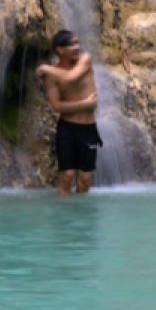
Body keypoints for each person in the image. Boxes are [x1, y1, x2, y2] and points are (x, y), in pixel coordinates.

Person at [36, 30, 101, 195]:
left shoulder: (85, 60)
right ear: (60, 50)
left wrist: (45, 68)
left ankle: (82, 218)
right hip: (67, 129)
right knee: (67, 175)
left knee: (85, 179)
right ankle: (65, 219)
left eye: (78, 43)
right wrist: (84, 104)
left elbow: (70, 78)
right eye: (72, 44)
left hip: (88, 129)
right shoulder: (52, 76)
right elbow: (56, 106)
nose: (77, 47)